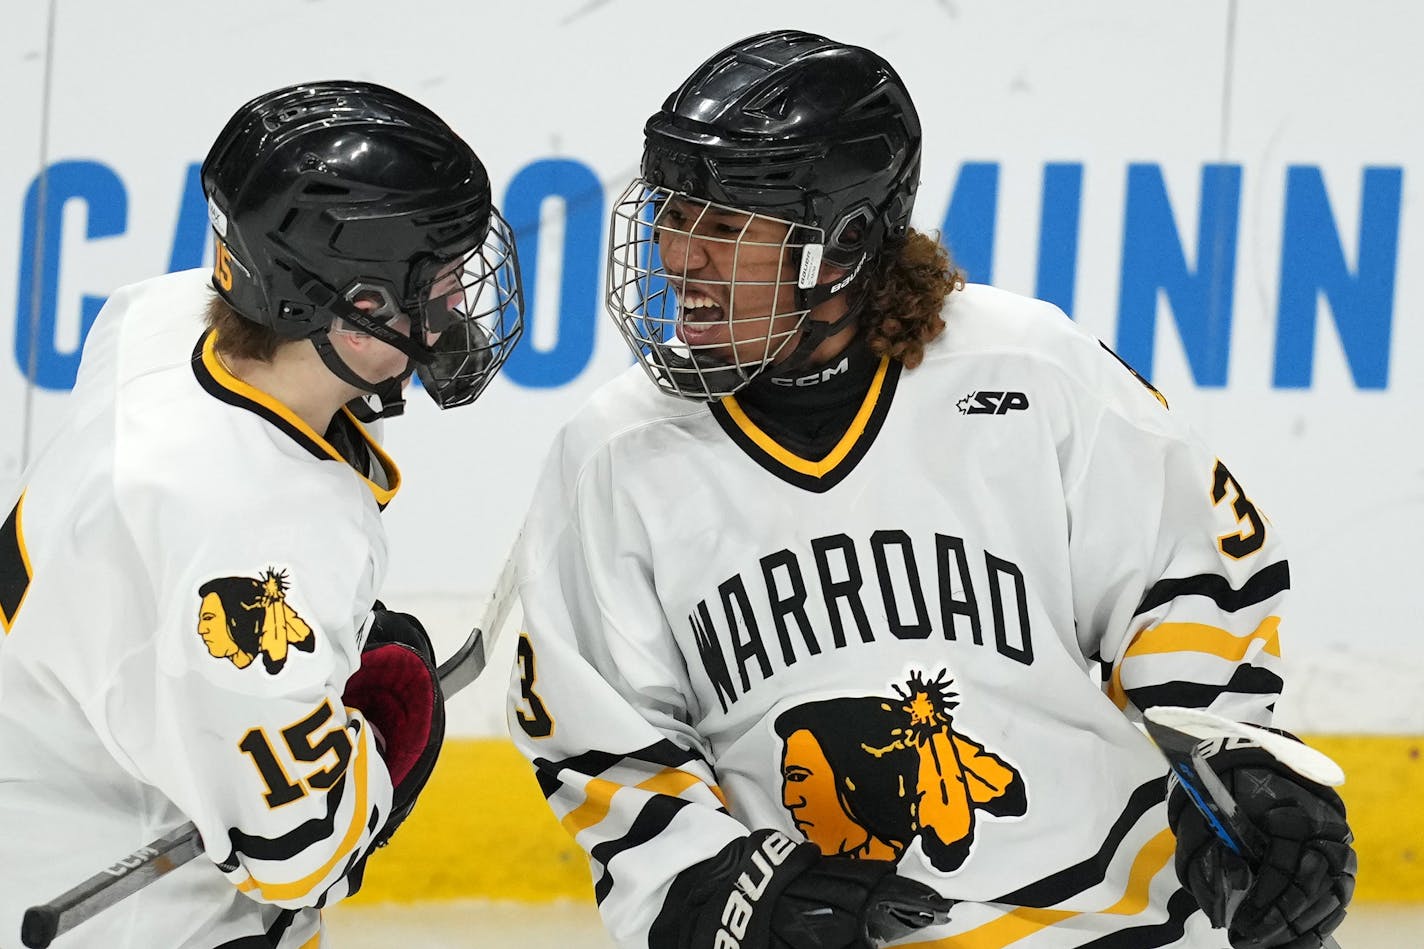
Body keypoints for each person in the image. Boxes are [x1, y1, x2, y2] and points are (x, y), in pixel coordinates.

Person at [509, 29, 1355, 949]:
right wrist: (721, 888)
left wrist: (1239, 764)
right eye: (672, 214)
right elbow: (601, 741)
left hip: (1123, 919)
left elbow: (1188, 582)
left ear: (840, 249)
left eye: (724, 226)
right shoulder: (613, 453)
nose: (678, 255)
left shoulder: (1029, 369)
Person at [0, 80, 523, 947]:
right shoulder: (253, 535)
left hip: (46, 782)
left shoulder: (159, 318)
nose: (458, 305)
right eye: (436, 279)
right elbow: (299, 851)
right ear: (357, 311)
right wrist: (388, 743)